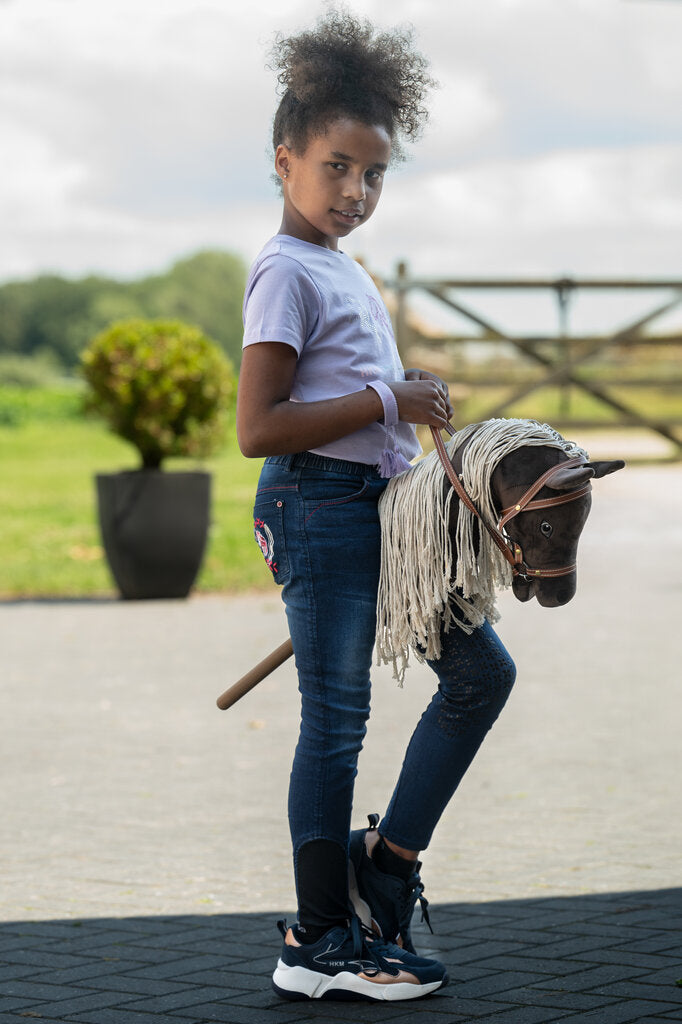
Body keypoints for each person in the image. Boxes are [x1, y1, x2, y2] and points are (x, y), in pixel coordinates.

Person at [237, 9, 516, 1003]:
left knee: (479, 672)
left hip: (379, 505)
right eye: (336, 167)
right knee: (337, 722)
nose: (355, 191)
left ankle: (384, 869)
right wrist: (387, 400)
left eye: (373, 174)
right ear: (286, 161)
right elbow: (258, 427)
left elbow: (362, 398)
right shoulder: (282, 269)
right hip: (316, 506)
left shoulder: (337, 267)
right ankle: (319, 941)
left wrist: (413, 399)